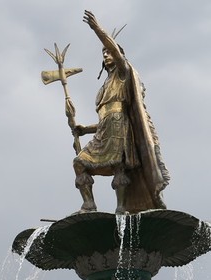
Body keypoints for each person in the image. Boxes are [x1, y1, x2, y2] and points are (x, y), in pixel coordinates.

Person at [71, 10, 168, 214]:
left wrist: (97, 29)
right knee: (80, 162)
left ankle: (122, 207)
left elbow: (114, 50)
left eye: (109, 51)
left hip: (120, 128)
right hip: (104, 130)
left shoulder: (124, 73)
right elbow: (104, 119)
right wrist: (83, 129)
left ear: (118, 55)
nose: (106, 55)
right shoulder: (104, 87)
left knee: (118, 165)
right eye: (103, 53)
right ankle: (89, 204)